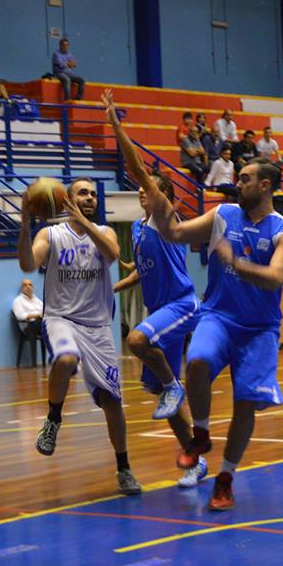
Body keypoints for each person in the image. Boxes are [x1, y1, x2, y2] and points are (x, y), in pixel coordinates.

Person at [136, 152, 283, 510]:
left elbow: (274, 279)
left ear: (265, 185)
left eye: (245, 179)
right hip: (219, 316)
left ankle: (225, 478)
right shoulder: (223, 215)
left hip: (259, 329)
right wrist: (154, 194)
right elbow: (175, 232)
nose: (237, 184)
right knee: (197, 362)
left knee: (246, 404)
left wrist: (235, 262)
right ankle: (201, 436)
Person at [106, 91, 209, 488]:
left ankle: (173, 383)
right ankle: (196, 461)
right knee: (165, 407)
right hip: (160, 310)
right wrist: (112, 287)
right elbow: (143, 273)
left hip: (181, 305)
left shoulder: (167, 217)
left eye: (148, 188)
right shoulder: (136, 228)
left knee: (134, 340)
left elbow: (136, 167)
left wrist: (116, 125)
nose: (141, 192)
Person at [18, 176, 141, 496]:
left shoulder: (105, 232)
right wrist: (25, 223)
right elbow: (28, 264)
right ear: (65, 199)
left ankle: (123, 467)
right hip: (61, 318)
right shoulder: (51, 234)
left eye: (91, 194)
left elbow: (112, 254)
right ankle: (53, 419)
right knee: (66, 357)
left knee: (113, 403)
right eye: (81, 193)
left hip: (98, 326)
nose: (89, 198)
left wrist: (84, 221)